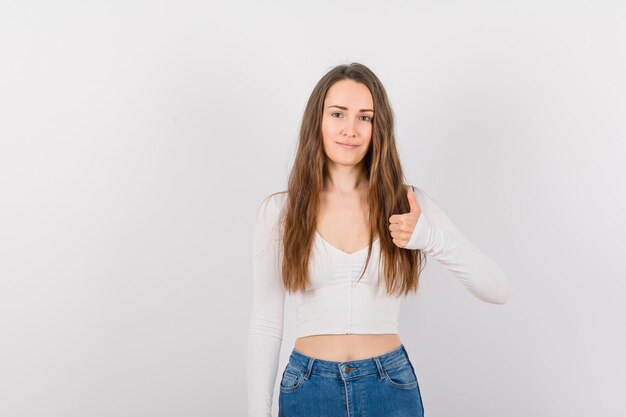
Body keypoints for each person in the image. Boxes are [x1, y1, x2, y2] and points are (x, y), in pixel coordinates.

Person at [247, 62, 510, 417]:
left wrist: (428, 238)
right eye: (338, 114)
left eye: (364, 117)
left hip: (389, 386)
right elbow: (265, 322)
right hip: (309, 387)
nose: (350, 130)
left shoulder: (408, 204)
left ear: (378, 126)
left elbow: (497, 289)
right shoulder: (281, 211)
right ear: (318, 121)